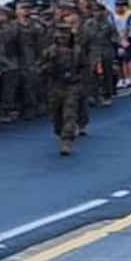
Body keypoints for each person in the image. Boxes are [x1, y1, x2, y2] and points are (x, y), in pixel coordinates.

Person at [42, 9, 89, 156]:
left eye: (66, 35)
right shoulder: (51, 51)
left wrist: (80, 82)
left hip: (71, 85)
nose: (63, 38)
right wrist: (48, 67)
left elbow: (83, 66)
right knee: (56, 116)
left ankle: (67, 141)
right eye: (60, 35)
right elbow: (42, 67)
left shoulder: (76, 50)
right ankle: (60, 132)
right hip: (55, 85)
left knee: (70, 114)